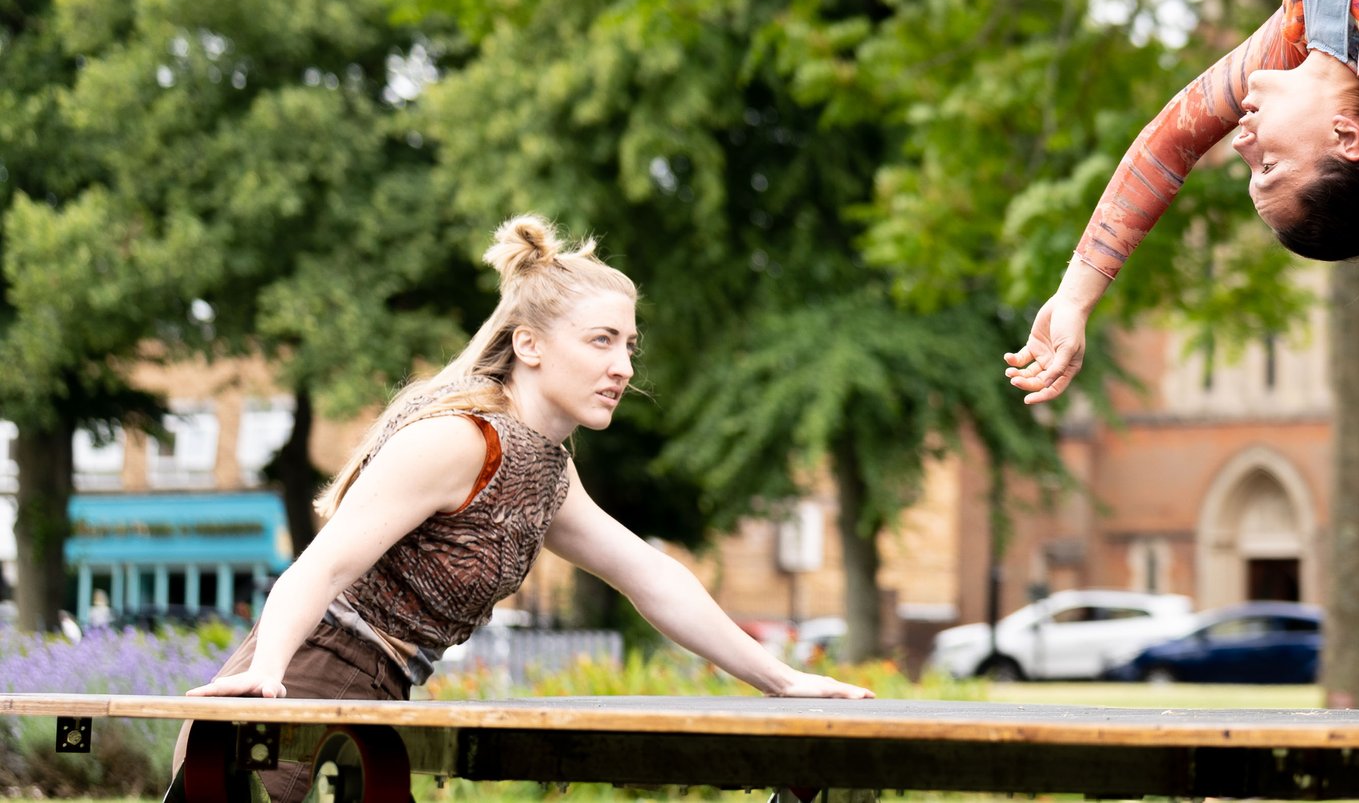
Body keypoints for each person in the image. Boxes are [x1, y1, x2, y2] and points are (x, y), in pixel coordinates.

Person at [181, 218, 869, 803]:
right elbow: (321, 565)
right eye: (601, 340)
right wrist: (268, 674)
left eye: (628, 344)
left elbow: (650, 576)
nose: (624, 366)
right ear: (530, 345)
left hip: (369, 706)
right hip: (294, 700)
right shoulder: (461, 439)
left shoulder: (545, 466)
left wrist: (784, 680)